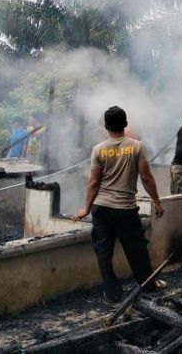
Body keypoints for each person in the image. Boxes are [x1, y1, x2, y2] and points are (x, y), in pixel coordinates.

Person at [72, 106, 165, 302]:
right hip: (125, 208)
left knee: (103, 251)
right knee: (136, 249)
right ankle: (148, 285)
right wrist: (157, 201)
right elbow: (146, 177)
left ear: (106, 126)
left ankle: (112, 292)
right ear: (125, 124)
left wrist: (86, 208)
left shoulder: (98, 149)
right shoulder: (137, 146)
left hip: (101, 208)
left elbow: (94, 182)